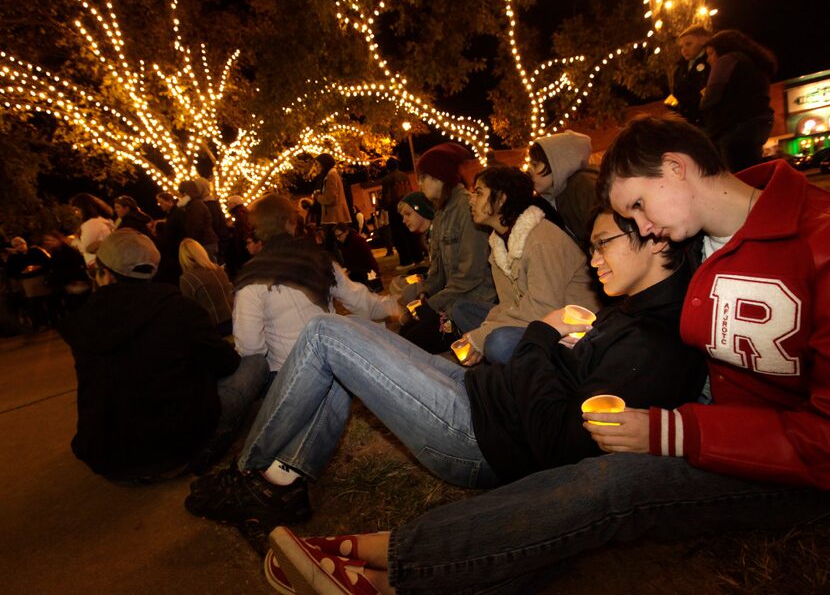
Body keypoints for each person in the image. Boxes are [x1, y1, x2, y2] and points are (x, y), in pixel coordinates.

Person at [265, 114, 830, 595]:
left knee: (608, 487)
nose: (643, 225)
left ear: (676, 167)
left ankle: (392, 557)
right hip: (545, 405)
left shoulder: (805, 240)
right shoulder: (699, 240)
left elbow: (577, 429)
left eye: (635, 209)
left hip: (752, 449)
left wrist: (674, 431)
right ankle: (299, 491)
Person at [184, 204, 706, 529]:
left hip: (475, 437)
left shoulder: (655, 343)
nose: (592, 260)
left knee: (325, 333)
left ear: (657, 239)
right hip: (477, 393)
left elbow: (558, 443)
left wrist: (542, 337)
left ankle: (249, 473)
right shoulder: (637, 314)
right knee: (348, 343)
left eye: (602, 244)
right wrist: (544, 347)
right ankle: (284, 483)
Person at [59, 229, 268, 482]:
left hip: (107, 458)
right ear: (151, 270)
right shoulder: (178, 308)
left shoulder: (81, 320)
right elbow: (227, 363)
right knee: (255, 363)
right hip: (175, 450)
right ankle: (214, 440)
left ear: (105, 274)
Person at [231, 194, 401, 376]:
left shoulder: (251, 278)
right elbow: (359, 300)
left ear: (257, 229)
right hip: (332, 365)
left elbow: (249, 346)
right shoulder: (318, 260)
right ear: (291, 222)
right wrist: (395, 306)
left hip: (289, 374)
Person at [453, 166, 600, 365]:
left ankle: (534, 365)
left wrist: (482, 336)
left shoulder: (541, 240)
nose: (471, 200)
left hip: (570, 329)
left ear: (502, 199)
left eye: (479, 193)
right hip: (533, 317)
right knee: (462, 309)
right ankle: (510, 354)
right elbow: (508, 303)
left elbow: (544, 308)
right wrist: (484, 329)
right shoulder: (498, 243)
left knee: (499, 343)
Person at [398, 142, 496, 353]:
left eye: (423, 177)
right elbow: (438, 269)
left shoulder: (467, 209)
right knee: (404, 333)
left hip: (471, 304)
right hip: (451, 301)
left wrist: (433, 305)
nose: (420, 183)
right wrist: (425, 293)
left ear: (439, 177)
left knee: (411, 343)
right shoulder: (442, 212)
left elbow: (471, 274)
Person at [701, 29, 777, 172]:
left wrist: (704, 97)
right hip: (758, 122)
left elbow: (710, 98)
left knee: (742, 177)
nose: (708, 59)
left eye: (710, 53)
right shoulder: (754, 63)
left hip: (736, 128)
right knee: (753, 173)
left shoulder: (727, 60)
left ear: (722, 49)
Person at [527, 130, 598, 248]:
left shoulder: (583, 185)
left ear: (558, 163)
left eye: (535, 164)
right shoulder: (554, 197)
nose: (529, 171)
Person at [179, 238, 234, 337]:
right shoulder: (218, 269)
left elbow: (190, 309)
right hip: (233, 318)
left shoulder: (187, 278)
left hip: (213, 327)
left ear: (183, 257)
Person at [381, 157, 421, 270]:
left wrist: (384, 205)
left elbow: (387, 197)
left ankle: (406, 260)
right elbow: (411, 190)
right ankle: (418, 257)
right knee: (411, 233)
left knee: (399, 236)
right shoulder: (404, 176)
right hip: (407, 207)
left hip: (395, 209)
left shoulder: (387, 179)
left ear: (388, 167)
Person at [668, 24, 711, 126]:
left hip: (707, 119)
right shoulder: (680, 68)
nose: (684, 49)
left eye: (688, 44)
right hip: (689, 121)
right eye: (681, 47)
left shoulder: (710, 61)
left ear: (703, 41)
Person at [42, 230, 91, 315]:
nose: (49, 242)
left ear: (58, 240)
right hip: (68, 285)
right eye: (47, 240)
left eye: (51, 240)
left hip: (74, 284)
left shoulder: (67, 252)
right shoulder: (56, 252)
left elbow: (68, 268)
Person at [312, 153, 351, 259]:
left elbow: (330, 198)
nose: (317, 167)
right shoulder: (329, 176)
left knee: (333, 248)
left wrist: (318, 197)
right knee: (333, 247)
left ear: (324, 164)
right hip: (332, 217)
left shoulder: (331, 176)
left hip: (333, 217)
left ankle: (340, 268)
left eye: (318, 164)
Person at [69, 193, 116, 268]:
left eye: (76, 210)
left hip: (99, 265)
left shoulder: (91, 224)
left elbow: (85, 248)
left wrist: (75, 241)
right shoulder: (101, 220)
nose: (76, 214)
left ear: (84, 208)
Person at [177, 180, 219, 262]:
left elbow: (196, 226)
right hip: (205, 242)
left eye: (181, 193)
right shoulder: (194, 204)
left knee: (209, 268)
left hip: (205, 243)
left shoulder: (195, 205)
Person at [333, 222, 382, 291]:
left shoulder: (356, 241)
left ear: (346, 232)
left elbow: (368, 258)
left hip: (365, 273)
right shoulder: (346, 242)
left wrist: (376, 272)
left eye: (339, 235)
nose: (338, 239)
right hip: (358, 271)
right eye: (336, 237)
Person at [153, 191, 186, 285]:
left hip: (176, 250)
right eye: (159, 203)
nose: (160, 205)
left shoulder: (177, 214)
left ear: (169, 202)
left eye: (162, 202)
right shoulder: (171, 214)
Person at [224, 194, 253, 280]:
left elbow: (243, 228)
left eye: (229, 204)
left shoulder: (240, 213)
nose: (228, 206)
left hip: (243, 247)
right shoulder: (242, 212)